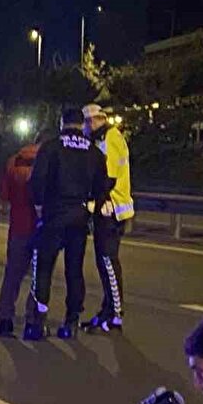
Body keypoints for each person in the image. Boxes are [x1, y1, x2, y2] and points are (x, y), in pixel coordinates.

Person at [23, 108, 110, 341]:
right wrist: (90, 207)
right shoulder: (93, 152)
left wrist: (40, 206)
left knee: (44, 269)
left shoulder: (51, 147)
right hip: (79, 217)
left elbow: (36, 181)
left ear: (62, 123)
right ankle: (71, 321)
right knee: (74, 270)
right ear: (82, 125)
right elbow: (104, 186)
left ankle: (38, 321)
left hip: (53, 215)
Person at [81, 103, 133, 333]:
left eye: (85, 123)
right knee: (105, 263)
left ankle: (115, 315)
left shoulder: (109, 139)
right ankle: (107, 310)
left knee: (108, 263)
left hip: (111, 210)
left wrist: (95, 202)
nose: (84, 128)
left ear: (93, 121)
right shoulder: (107, 138)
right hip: (110, 209)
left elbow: (108, 177)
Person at [0, 138, 40, 338]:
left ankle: (5, 319)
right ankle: (32, 320)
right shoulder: (49, 160)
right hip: (41, 228)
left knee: (12, 275)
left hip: (18, 226)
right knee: (39, 277)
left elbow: (4, 196)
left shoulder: (14, 161)